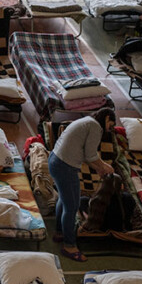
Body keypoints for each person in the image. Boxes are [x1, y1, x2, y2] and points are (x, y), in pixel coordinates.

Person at [49, 109, 116, 262]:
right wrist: (105, 166)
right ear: (106, 118)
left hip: (55, 160)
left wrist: (99, 168)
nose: (109, 129)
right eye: (110, 125)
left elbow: (87, 155)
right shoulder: (95, 127)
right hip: (64, 166)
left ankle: (60, 232)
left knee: (65, 200)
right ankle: (69, 245)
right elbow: (91, 155)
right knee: (72, 206)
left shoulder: (86, 121)